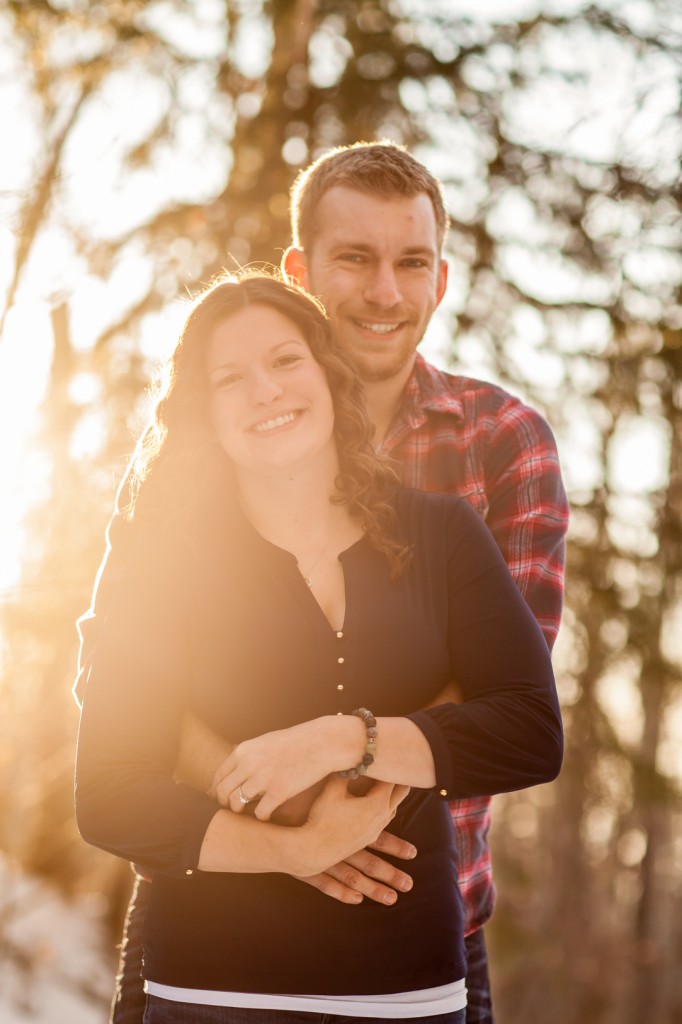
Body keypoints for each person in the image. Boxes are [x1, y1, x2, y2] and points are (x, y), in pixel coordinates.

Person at [75, 142, 569, 1024]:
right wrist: (282, 830)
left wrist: (346, 764)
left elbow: (505, 690)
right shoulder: (193, 459)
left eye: (410, 262)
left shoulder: (502, 440)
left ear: (440, 280)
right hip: (205, 918)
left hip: (421, 919)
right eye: (355, 258)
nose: (385, 292)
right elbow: (118, 685)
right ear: (300, 273)